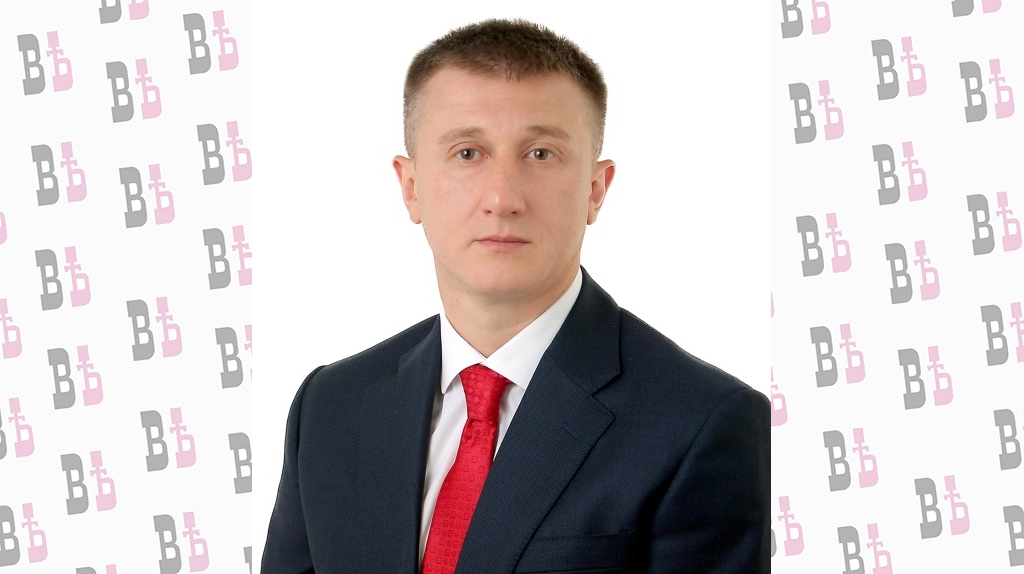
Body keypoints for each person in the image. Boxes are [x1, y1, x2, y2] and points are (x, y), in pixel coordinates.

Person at [262, 18, 769, 573]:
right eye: (467, 153)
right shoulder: (330, 407)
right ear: (410, 187)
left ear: (596, 189)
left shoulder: (702, 423)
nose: (502, 198)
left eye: (541, 154)